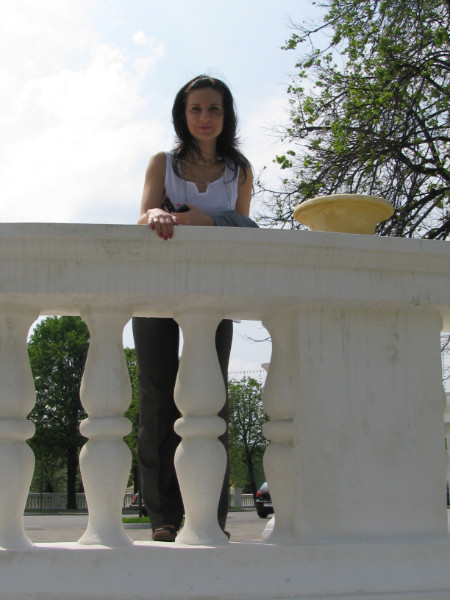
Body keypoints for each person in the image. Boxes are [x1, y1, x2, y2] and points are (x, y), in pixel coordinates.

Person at [132, 75, 253, 542]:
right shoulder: (163, 163)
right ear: (182, 115)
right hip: (155, 287)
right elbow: (144, 214)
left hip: (213, 293)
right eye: (196, 108)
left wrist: (206, 219)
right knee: (157, 398)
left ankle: (209, 515)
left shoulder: (239, 170)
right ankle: (163, 515)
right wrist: (156, 214)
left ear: (226, 115)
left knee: (210, 399)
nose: (205, 117)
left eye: (214, 109)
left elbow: (245, 229)